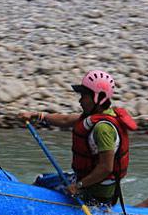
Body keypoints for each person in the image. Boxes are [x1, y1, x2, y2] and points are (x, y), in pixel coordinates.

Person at [19, 70, 137, 206]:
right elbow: (65, 120)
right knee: (44, 179)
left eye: (84, 96)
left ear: (99, 98)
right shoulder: (97, 117)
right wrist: (36, 116)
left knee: (41, 182)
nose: (80, 100)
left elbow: (106, 168)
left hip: (96, 192)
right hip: (92, 183)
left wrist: (78, 186)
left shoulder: (103, 129)